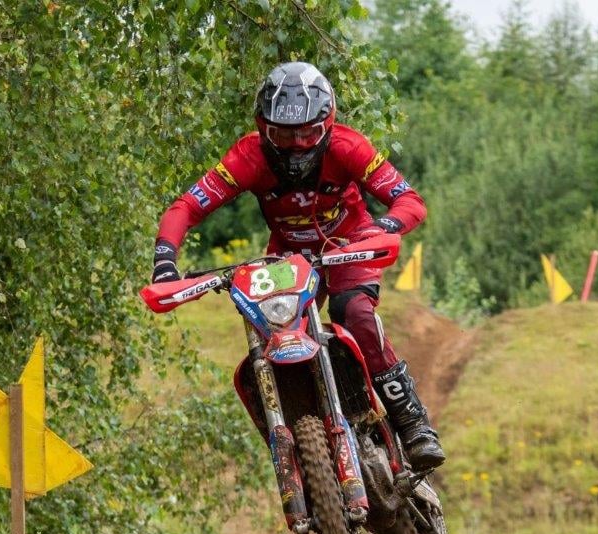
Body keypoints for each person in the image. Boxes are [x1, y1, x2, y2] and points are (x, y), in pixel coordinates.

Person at [151, 61, 445, 471]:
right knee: (273, 340)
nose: (296, 146)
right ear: (263, 127)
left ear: (327, 124)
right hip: (288, 258)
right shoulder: (247, 156)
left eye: (308, 133)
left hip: (347, 245)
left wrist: (383, 226)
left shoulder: (348, 146)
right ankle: (297, 443)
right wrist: (165, 261)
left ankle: (412, 422)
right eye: (282, 134)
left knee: (353, 313)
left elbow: (410, 200)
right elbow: (186, 207)